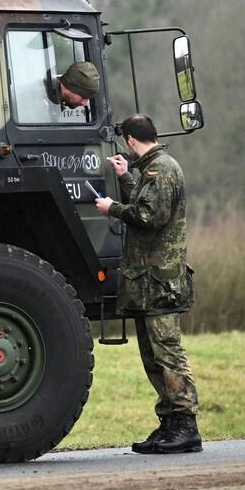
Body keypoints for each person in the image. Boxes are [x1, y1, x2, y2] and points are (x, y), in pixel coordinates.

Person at [94, 113, 201, 454]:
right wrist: (126, 177)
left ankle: (186, 425)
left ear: (130, 141)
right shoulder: (151, 171)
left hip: (160, 282)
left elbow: (149, 217)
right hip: (148, 283)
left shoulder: (161, 169)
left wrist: (112, 208)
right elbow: (145, 202)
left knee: (168, 355)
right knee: (153, 357)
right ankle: (170, 423)